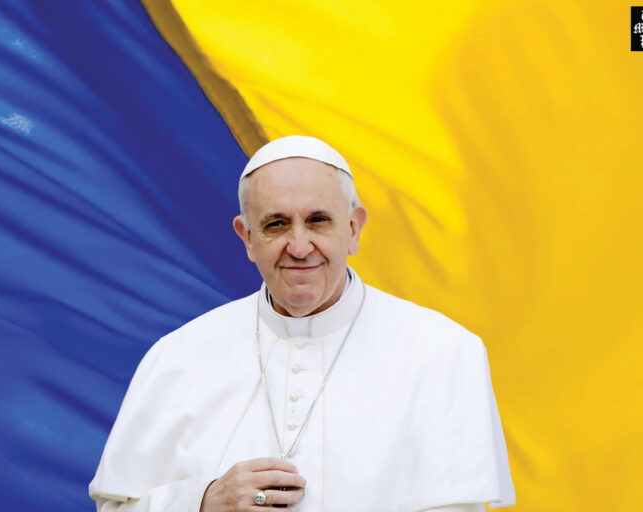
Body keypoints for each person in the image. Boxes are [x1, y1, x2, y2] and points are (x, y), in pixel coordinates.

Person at [89, 135, 516, 511]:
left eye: (318, 221)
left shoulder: (443, 353)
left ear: (354, 228)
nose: (298, 246)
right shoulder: (177, 357)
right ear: (247, 238)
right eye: (276, 225)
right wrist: (201, 503)